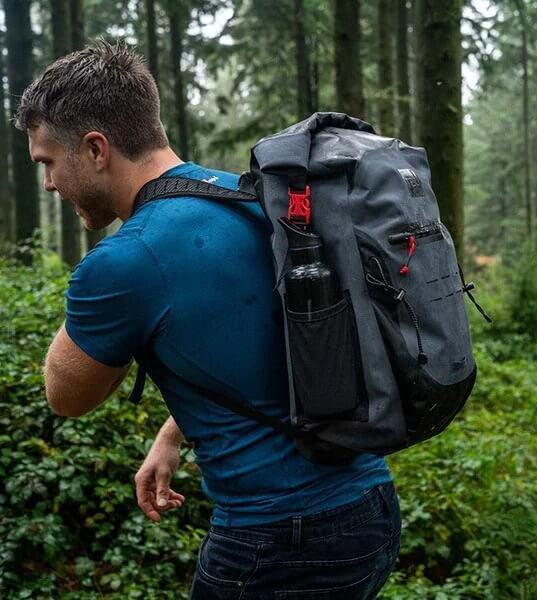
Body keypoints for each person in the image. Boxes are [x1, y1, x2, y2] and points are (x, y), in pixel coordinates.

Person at [17, 41, 401, 598]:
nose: (49, 184)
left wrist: (99, 278)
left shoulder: (126, 261)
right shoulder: (256, 197)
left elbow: (65, 396)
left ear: (96, 149)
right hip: (370, 512)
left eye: (49, 162)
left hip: (278, 544)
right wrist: (173, 435)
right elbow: (274, 348)